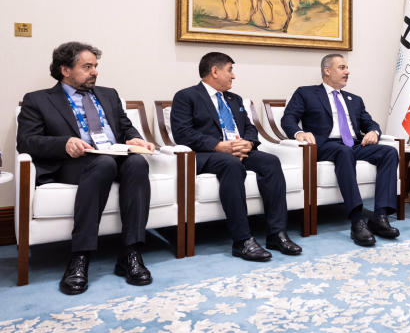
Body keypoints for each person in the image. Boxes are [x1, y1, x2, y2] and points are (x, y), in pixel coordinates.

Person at [17, 42, 155, 295]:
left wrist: (135, 139)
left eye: (95, 66)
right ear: (65, 70)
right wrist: (64, 143)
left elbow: (125, 127)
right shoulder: (38, 100)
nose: (95, 72)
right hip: (74, 163)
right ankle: (80, 256)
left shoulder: (109, 94)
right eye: (87, 67)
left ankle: (130, 253)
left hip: (114, 155)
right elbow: (26, 141)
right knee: (102, 163)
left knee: (137, 162)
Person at [170, 52, 301, 261]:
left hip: (239, 151)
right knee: (231, 164)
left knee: (271, 162)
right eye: (230, 70)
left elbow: (250, 127)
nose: (233, 76)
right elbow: (183, 133)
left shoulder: (235, 99)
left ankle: (277, 234)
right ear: (215, 71)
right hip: (207, 154)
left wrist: (248, 143)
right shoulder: (186, 96)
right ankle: (242, 241)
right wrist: (218, 146)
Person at [281, 54, 400, 246]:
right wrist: (299, 133)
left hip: (353, 144)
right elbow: (288, 119)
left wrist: (374, 132)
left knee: (389, 152)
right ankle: (357, 221)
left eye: (347, 68)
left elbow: (370, 122)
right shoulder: (306, 93)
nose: (348, 72)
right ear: (327, 70)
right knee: (344, 152)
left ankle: (379, 216)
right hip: (325, 145)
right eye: (342, 68)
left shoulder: (354, 99)